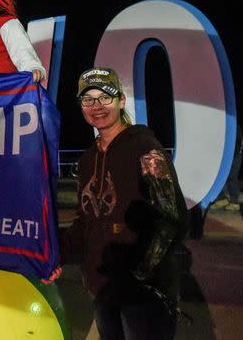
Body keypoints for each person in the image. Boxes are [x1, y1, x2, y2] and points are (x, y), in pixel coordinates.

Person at [59, 68, 188, 340]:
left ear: (121, 101)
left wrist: (140, 271)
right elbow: (86, 221)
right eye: (88, 99)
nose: (97, 106)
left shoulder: (145, 148)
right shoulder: (86, 161)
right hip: (103, 291)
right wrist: (52, 256)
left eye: (105, 97)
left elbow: (172, 218)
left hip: (143, 296)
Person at [213, 122, 243, 211]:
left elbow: (235, 143)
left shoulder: (235, 126)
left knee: (232, 178)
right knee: (218, 178)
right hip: (228, 155)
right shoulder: (225, 125)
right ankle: (221, 199)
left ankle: (234, 203)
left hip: (234, 156)